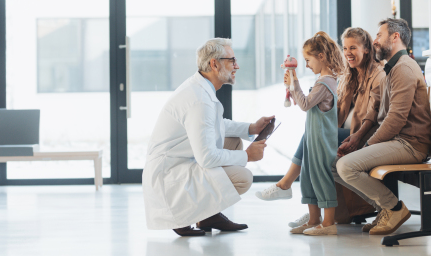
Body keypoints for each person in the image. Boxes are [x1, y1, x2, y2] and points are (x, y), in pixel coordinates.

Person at [142, 38, 274, 237]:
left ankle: (208, 216)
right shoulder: (199, 99)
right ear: (214, 64)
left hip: (180, 163)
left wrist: (252, 127)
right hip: (169, 177)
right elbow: (207, 158)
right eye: (232, 60)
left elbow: (216, 124)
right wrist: (247, 156)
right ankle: (183, 215)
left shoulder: (201, 88)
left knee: (233, 141)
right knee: (243, 178)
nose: (236, 66)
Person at [256, 27, 385, 226]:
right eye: (345, 48)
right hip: (345, 131)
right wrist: (296, 90)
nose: (348, 53)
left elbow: (372, 114)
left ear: (366, 49)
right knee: (310, 134)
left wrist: (356, 136)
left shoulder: (376, 74)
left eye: (353, 48)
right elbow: (326, 106)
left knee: (312, 136)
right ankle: (310, 207)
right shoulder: (348, 76)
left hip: (364, 134)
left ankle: (289, 186)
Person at [332, 18, 431, 235]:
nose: (375, 40)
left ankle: (394, 208)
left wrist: (367, 145)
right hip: (397, 142)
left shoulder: (404, 68)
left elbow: (396, 119)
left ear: (395, 37)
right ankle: (384, 209)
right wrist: (357, 138)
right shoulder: (391, 68)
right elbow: (375, 109)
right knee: (334, 164)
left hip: (409, 145)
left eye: (379, 35)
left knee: (346, 166)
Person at [280, 31, 345, 236]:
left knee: (321, 177)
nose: (306, 64)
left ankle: (328, 224)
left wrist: (295, 84)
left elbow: (306, 104)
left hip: (321, 141)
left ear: (321, 57)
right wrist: (294, 84)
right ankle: (314, 219)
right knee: (308, 177)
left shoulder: (325, 83)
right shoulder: (323, 81)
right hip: (313, 139)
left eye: (308, 60)